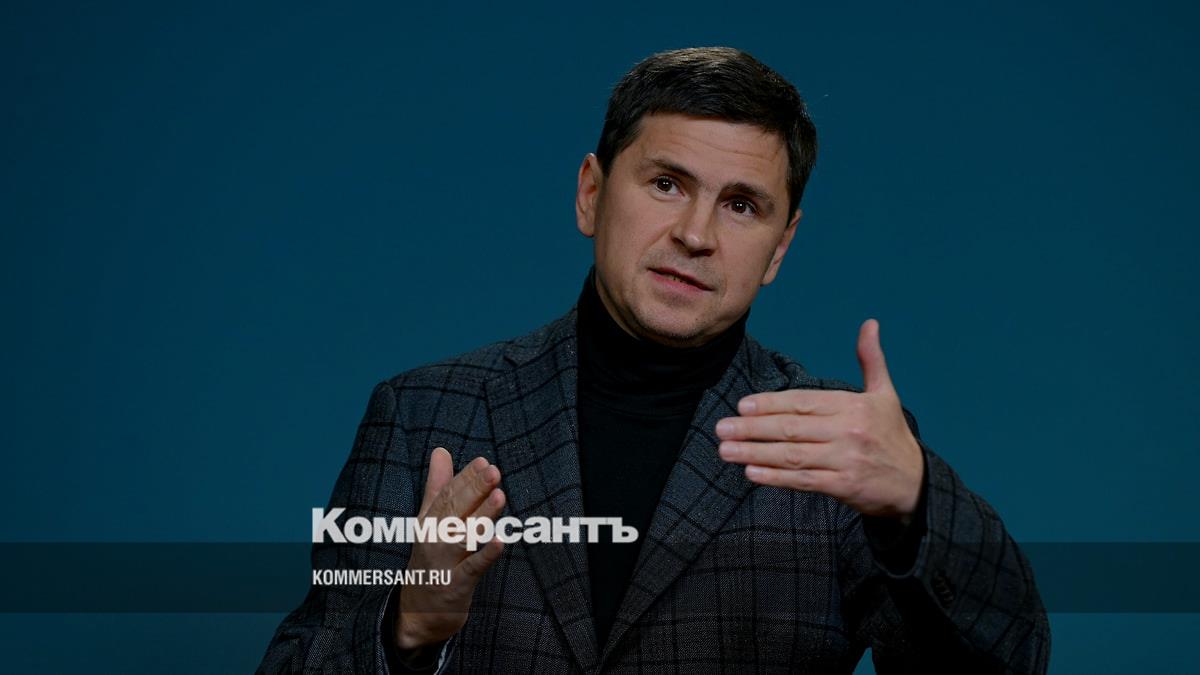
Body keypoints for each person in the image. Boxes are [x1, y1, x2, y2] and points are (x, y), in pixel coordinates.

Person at [258, 46, 1050, 674]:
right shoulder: (421, 414)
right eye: (667, 183)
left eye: (741, 204)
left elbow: (1006, 663)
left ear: (780, 247)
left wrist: (916, 505)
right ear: (591, 193)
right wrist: (405, 626)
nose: (696, 234)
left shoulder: (840, 451)